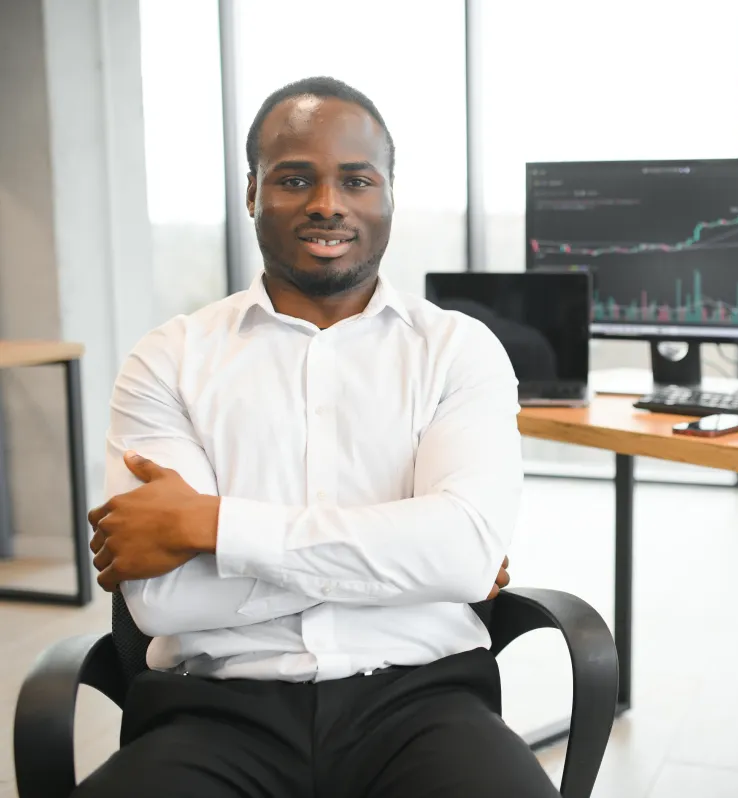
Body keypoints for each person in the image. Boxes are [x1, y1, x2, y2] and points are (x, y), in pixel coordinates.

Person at [76, 76, 560, 798]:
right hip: (212, 711)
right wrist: (406, 563)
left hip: (423, 702)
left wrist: (212, 526)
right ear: (251, 192)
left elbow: (461, 555)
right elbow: (165, 600)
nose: (327, 204)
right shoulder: (169, 357)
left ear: (389, 193)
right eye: (294, 178)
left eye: (356, 180)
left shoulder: (460, 350)